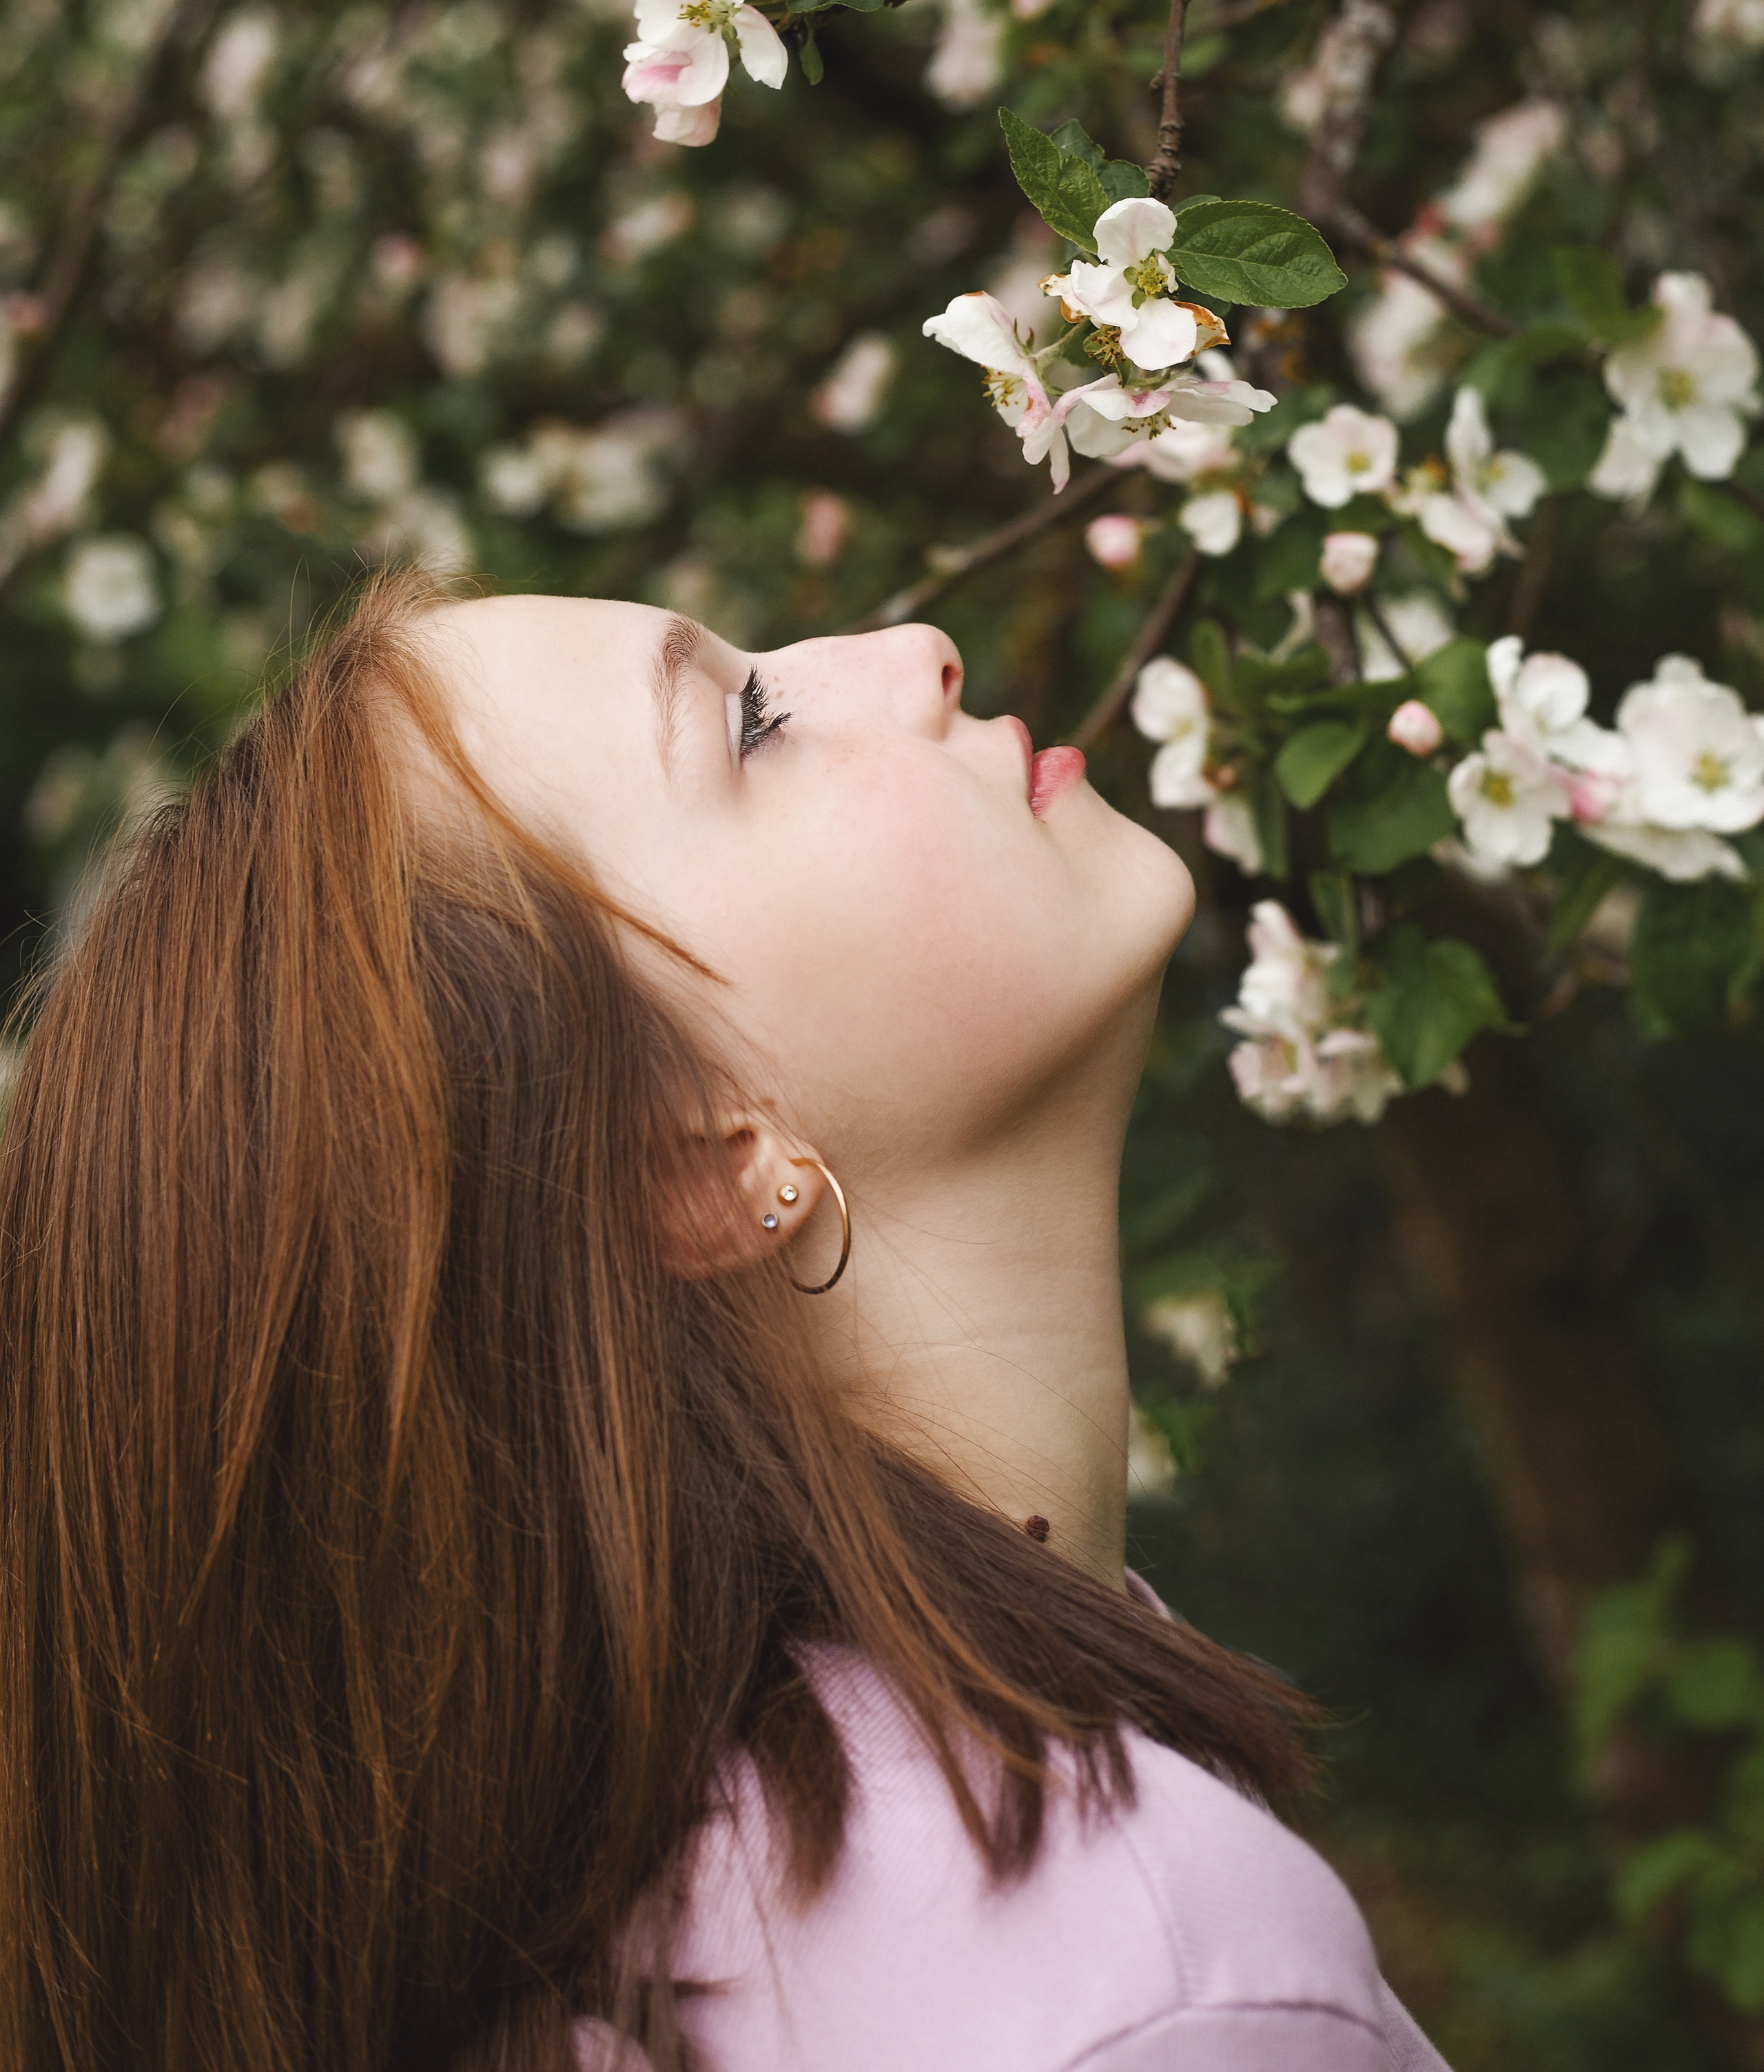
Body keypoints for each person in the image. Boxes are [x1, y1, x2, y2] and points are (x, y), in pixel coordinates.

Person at [0, 569, 1448, 2072]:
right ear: (700, 1163)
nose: (917, 652)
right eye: (751, 725)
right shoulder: (1140, 1979)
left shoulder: (666, 1935)